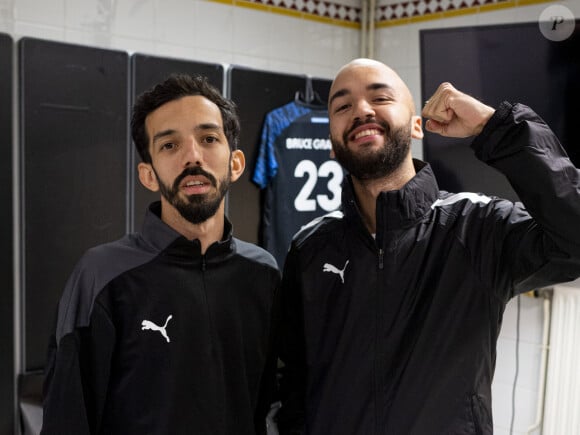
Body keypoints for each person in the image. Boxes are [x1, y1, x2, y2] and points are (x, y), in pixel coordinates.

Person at [275, 58, 580, 434]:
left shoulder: (478, 227)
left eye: (380, 97)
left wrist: (494, 127)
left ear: (418, 125)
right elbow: (290, 387)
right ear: (333, 146)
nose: (362, 110)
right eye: (342, 106)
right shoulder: (309, 248)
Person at [41, 74, 280, 435]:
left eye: (209, 138)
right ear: (148, 174)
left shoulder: (262, 273)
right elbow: (67, 419)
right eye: (169, 145)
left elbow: (271, 405)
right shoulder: (102, 276)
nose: (192, 157)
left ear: (235, 163)